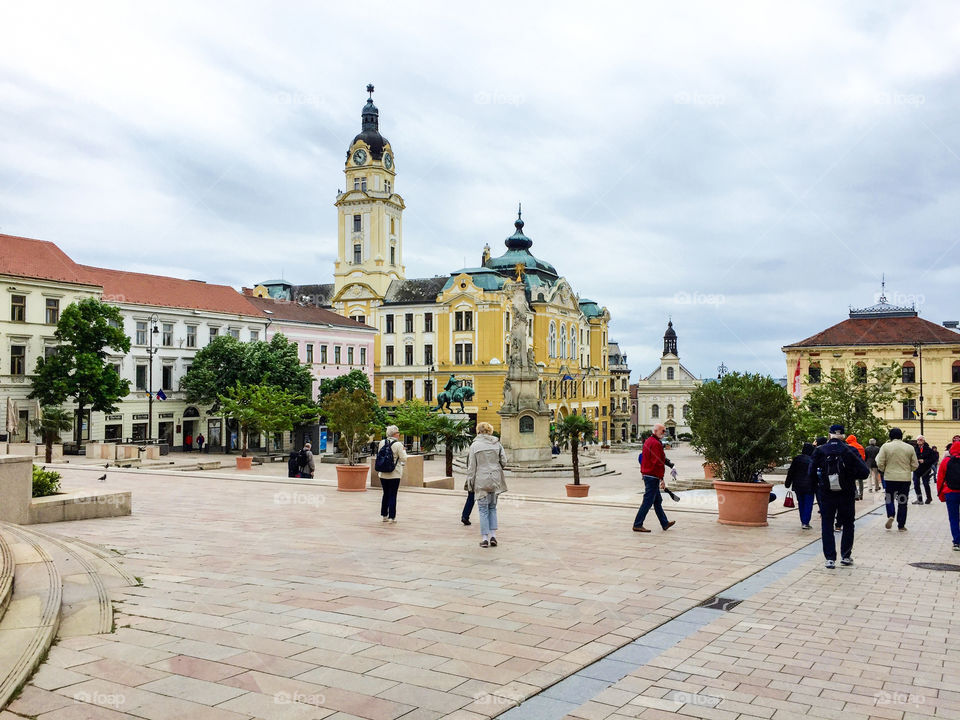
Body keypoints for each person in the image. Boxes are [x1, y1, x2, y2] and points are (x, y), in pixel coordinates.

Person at [809, 424, 869, 569]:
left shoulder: (820, 450)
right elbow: (864, 472)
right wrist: (850, 475)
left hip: (826, 493)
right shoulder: (850, 450)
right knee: (848, 523)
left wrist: (819, 484)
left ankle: (830, 558)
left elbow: (810, 474)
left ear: (829, 435)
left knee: (827, 524)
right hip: (846, 493)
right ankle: (846, 556)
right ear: (843, 436)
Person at [465, 422, 507, 547]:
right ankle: (493, 536)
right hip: (495, 479)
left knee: (483, 509)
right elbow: (504, 461)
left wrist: (470, 482)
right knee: (492, 508)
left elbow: (472, 467)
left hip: (481, 480)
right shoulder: (497, 444)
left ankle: (484, 538)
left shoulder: (474, 445)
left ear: (478, 431)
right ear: (490, 431)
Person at [633, 423, 677, 533]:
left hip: (648, 474)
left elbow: (660, 458)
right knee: (648, 501)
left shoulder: (649, 441)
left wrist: (670, 464)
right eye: (663, 431)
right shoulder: (656, 444)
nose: (664, 433)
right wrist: (661, 478)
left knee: (657, 501)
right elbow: (658, 462)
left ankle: (664, 523)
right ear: (656, 431)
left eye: (665, 431)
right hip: (652, 476)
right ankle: (637, 524)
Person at [876, 427, 918, 532]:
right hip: (905, 478)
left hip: (890, 477)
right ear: (901, 436)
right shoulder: (909, 448)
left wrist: (884, 469)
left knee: (889, 498)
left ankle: (891, 514)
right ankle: (901, 525)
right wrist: (909, 469)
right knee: (902, 501)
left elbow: (879, 461)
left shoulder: (885, 447)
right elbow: (915, 464)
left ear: (890, 436)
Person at [376, 425, 407, 523]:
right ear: (394, 434)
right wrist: (404, 451)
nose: (399, 434)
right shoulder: (398, 444)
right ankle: (392, 517)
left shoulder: (382, 442)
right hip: (395, 473)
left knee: (385, 493)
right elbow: (403, 458)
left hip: (383, 473)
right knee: (393, 494)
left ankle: (384, 515)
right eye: (398, 433)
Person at [936, 436, 960, 551]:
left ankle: (956, 542)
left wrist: (941, 495)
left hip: (950, 492)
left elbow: (940, 480)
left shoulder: (946, 461)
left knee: (953, 518)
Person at [785, 443, 816, 529]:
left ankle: (803, 520)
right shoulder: (812, 460)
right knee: (808, 504)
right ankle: (805, 522)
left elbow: (791, 472)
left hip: (798, 486)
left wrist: (787, 483)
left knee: (801, 503)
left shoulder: (797, 459)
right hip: (809, 486)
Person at [913, 435, 936, 504]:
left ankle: (929, 498)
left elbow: (933, 459)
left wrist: (924, 461)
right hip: (916, 469)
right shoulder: (914, 449)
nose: (919, 441)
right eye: (918, 440)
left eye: (921, 440)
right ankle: (919, 499)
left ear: (924, 441)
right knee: (916, 484)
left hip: (925, 469)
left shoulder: (928, 449)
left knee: (926, 484)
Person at [846, 434, 866, 500]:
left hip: (853, 466)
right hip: (861, 465)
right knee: (861, 481)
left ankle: (856, 494)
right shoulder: (861, 446)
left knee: (853, 481)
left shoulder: (849, 446)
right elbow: (864, 456)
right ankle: (861, 494)